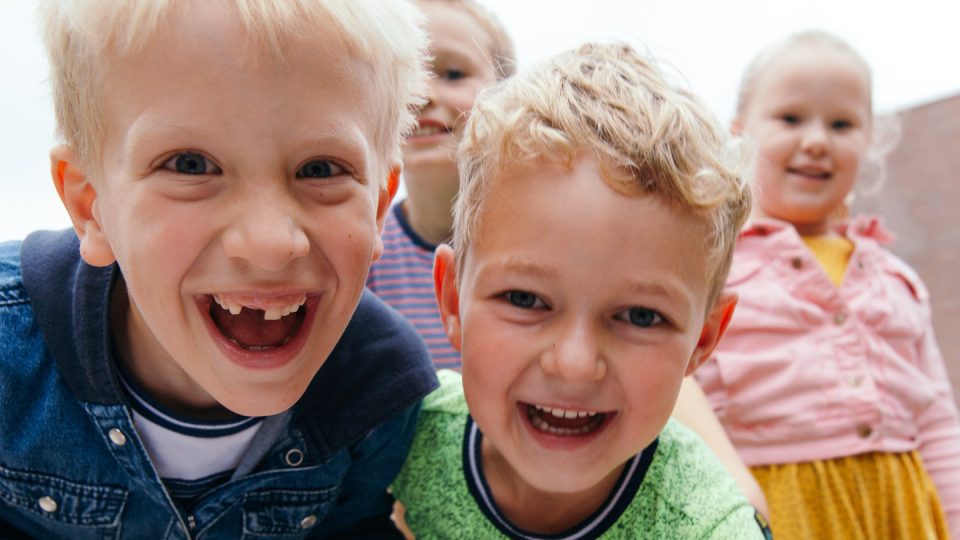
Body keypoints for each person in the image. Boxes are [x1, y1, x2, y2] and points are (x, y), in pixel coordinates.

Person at [0, 0, 439, 537]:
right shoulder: (8, 358)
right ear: (91, 206)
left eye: (320, 169)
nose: (271, 245)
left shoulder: (380, 392)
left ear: (376, 208)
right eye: (191, 165)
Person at [393, 42, 771, 538]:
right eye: (525, 300)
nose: (573, 363)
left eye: (640, 316)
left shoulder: (704, 526)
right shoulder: (394, 439)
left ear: (703, 340)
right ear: (451, 301)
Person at [694, 30, 960, 539]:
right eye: (791, 118)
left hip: (902, 511)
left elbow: (938, 423)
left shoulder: (895, 278)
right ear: (739, 133)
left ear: (869, 142)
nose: (816, 140)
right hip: (774, 507)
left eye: (842, 124)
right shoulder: (710, 264)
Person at [366, 0, 516, 371]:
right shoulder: (363, 254)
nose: (426, 94)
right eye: (407, 78)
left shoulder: (544, 246)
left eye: (451, 74)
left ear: (508, 94)